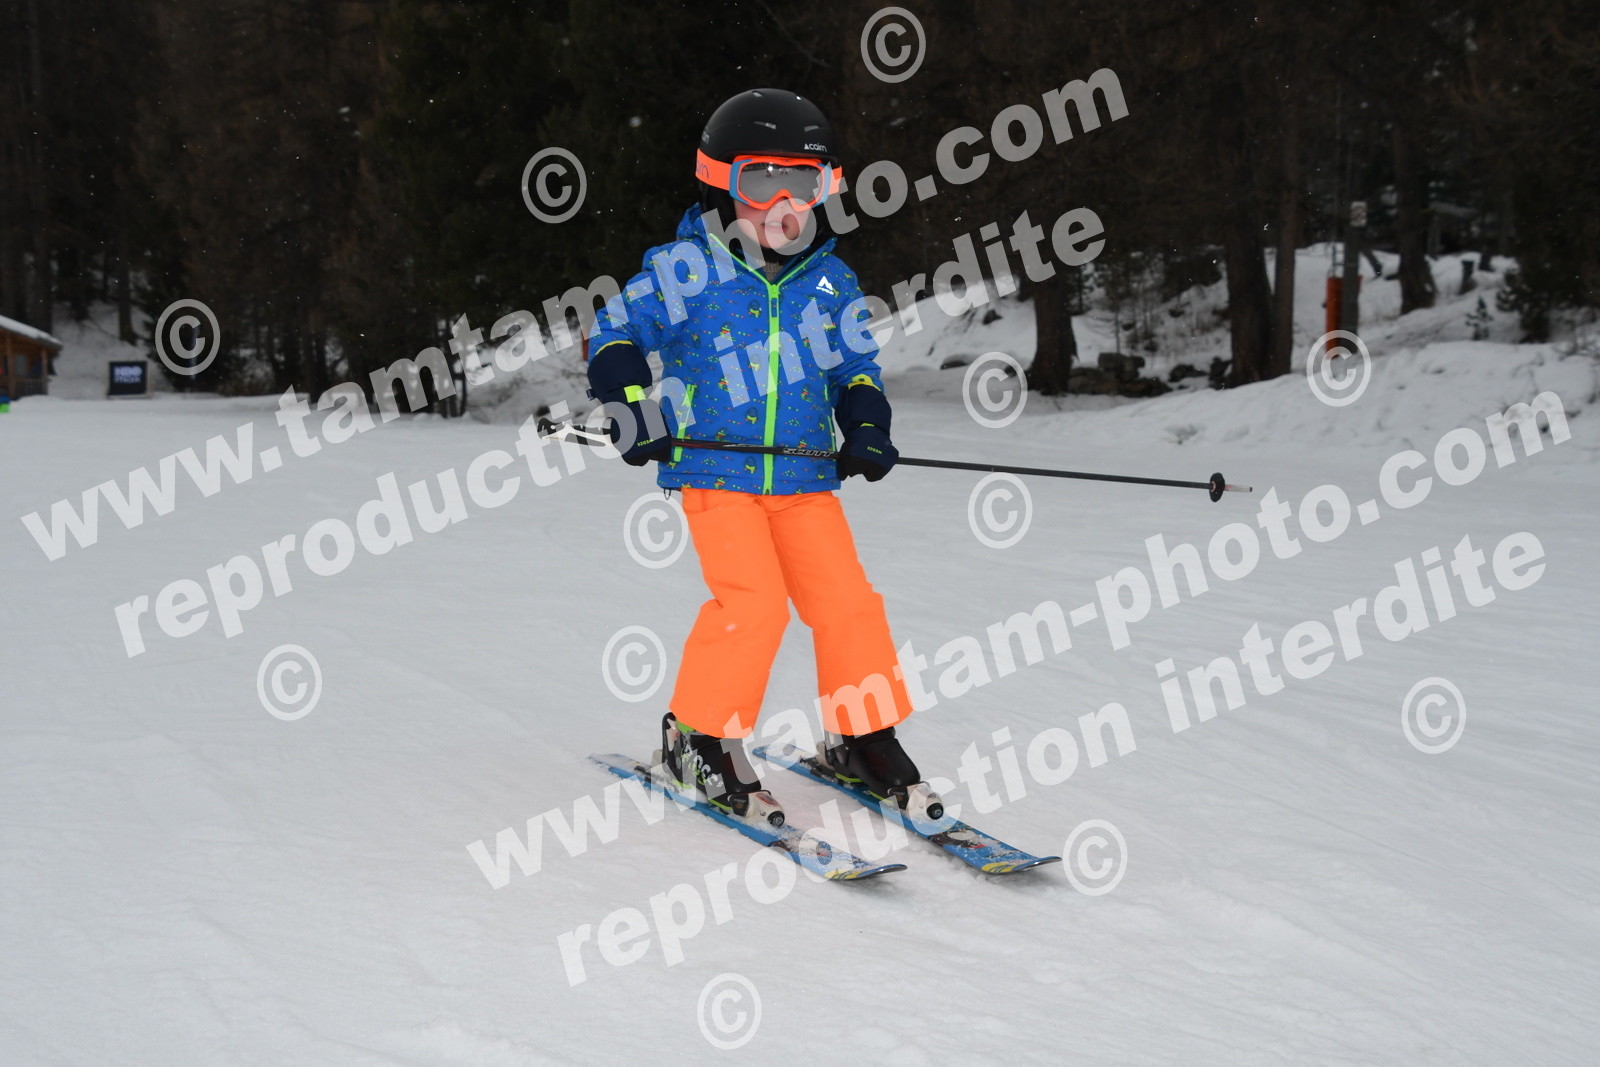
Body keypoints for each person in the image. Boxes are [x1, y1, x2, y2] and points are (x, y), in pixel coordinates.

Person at [586, 88, 939, 829]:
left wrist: (865, 422)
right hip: (716, 474)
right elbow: (616, 330)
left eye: (803, 183)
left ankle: (860, 734)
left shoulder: (830, 281)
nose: (784, 204)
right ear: (721, 183)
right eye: (760, 181)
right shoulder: (686, 269)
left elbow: (856, 369)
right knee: (752, 604)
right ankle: (698, 736)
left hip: (806, 476)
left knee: (847, 602)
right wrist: (631, 403)